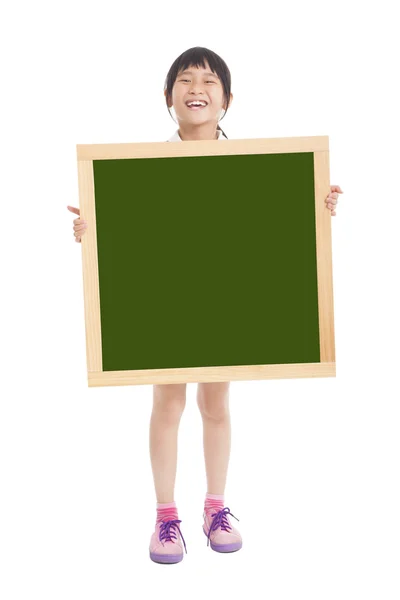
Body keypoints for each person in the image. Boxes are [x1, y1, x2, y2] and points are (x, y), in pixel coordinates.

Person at [67, 46, 344, 564]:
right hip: (166, 302)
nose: (198, 88)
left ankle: (215, 509)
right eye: (186, 79)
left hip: (226, 300)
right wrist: (92, 228)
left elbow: (273, 235)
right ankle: (166, 517)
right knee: (168, 405)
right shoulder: (138, 168)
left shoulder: (257, 168)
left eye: (210, 81)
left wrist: (315, 204)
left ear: (228, 99)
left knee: (215, 405)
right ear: (168, 96)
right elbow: (129, 242)